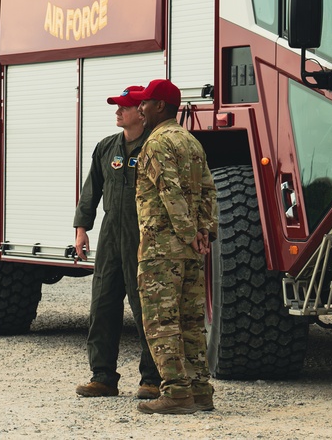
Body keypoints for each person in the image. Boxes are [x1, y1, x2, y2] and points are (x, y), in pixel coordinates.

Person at [134, 79, 218, 415]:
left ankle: (177, 394)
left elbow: (169, 192)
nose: (140, 108)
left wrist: (186, 233)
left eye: (145, 103)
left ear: (160, 107)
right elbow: (209, 190)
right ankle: (200, 391)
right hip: (191, 251)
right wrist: (203, 233)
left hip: (161, 249)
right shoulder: (192, 142)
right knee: (191, 322)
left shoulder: (156, 143)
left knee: (160, 321)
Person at [73, 85, 162, 400]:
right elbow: (91, 191)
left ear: (141, 111)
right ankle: (103, 377)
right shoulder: (106, 147)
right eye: (116, 106)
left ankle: (152, 379)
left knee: (146, 309)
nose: (117, 111)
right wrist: (82, 228)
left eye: (123, 106)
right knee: (103, 305)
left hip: (144, 236)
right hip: (111, 235)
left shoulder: (155, 147)